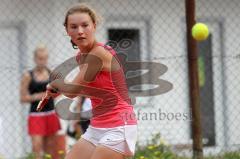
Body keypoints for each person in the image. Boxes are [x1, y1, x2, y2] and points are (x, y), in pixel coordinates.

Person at [45, 3, 137, 159]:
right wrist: (60, 89)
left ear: (94, 26)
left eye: (85, 25)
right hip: (97, 126)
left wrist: (55, 85)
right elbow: (84, 88)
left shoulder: (98, 54)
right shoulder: (81, 57)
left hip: (119, 126)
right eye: (73, 27)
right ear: (67, 31)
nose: (80, 31)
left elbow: (73, 91)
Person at [20, 45, 61, 159]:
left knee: (50, 149)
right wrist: (37, 96)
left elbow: (61, 91)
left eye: (44, 58)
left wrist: (53, 94)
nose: (42, 61)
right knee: (37, 148)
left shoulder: (52, 74)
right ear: (35, 59)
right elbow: (22, 98)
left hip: (50, 113)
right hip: (35, 115)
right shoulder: (28, 75)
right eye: (39, 58)